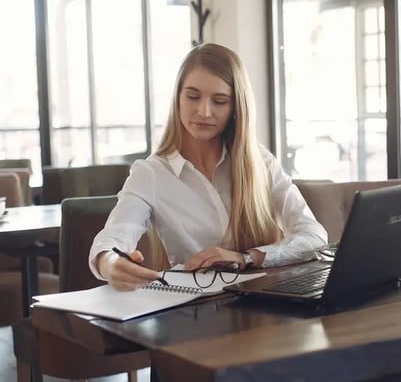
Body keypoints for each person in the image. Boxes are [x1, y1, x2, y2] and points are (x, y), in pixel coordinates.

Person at [89, 43, 327, 291]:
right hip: (195, 309)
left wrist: (246, 257)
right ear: (178, 98)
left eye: (220, 101)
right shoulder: (151, 173)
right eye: (193, 96)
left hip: (266, 301)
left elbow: (314, 237)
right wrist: (110, 262)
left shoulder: (260, 161)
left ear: (235, 108)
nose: (204, 111)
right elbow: (114, 236)